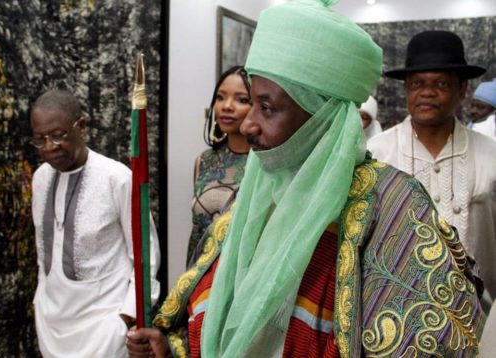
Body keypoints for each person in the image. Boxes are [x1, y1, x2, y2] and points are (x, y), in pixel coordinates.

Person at [128, 2, 485, 357]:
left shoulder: (394, 208)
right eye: (251, 103)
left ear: (322, 117)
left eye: (267, 108)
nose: (248, 123)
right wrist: (172, 348)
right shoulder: (257, 195)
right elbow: (220, 314)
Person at [368, 30, 496, 312]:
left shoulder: (491, 154)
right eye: (417, 83)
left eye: (440, 83)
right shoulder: (377, 154)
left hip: (479, 319)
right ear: (406, 90)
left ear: (462, 89)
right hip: (397, 322)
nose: (427, 92)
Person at [29, 89, 160, 357]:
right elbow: (45, 256)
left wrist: (126, 318)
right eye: (40, 139)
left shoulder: (117, 179)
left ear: (82, 127)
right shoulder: (40, 178)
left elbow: (146, 256)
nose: (49, 147)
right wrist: (39, 302)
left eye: (57, 135)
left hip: (106, 330)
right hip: (51, 327)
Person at [187, 66, 251, 266]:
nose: (227, 106)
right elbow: (196, 235)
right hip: (199, 280)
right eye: (221, 97)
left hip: (241, 280)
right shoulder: (203, 162)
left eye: (241, 100)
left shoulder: (266, 165)